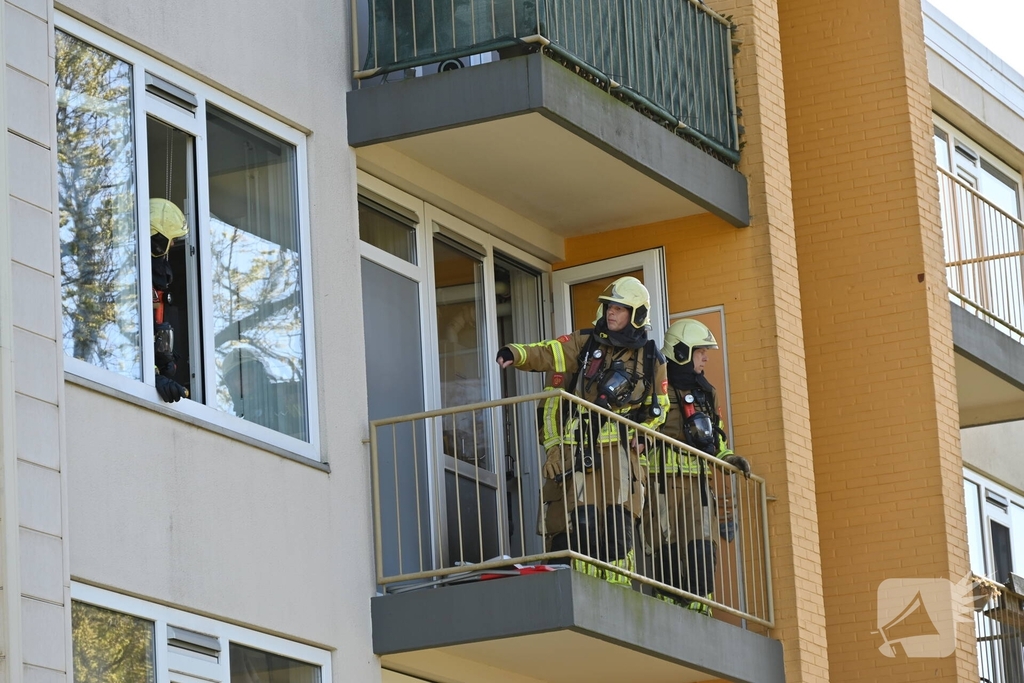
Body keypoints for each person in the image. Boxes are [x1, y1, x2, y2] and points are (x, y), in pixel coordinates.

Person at [496, 276, 669, 586]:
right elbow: (550, 352)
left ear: (637, 315)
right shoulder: (586, 342)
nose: (611, 313)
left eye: (619, 308)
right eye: (609, 307)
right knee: (584, 524)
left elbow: (659, 409)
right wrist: (516, 353)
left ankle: (618, 590)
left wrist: (643, 434)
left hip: (621, 457)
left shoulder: (652, 358)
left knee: (618, 527)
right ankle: (588, 589)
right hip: (582, 449)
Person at [647, 318, 750, 615]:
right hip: (659, 480)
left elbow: (716, 437)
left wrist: (729, 458)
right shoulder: (655, 383)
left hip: (697, 484)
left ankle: (699, 607)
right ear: (681, 351)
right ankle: (668, 608)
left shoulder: (706, 392)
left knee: (701, 549)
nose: (705, 357)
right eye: (700, 351)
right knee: (664, 547)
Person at [150, 198, 189, 403]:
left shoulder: (158, 285)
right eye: (171, 239)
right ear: (157, 239)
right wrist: (153, 379)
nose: (173, 245)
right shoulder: (131, 283)